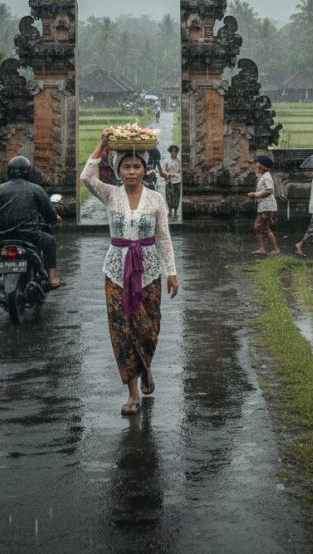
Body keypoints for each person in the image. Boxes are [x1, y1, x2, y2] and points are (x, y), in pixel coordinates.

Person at [82, 129, 179, 416]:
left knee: (148, 329)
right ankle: (132, 391)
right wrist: (102, 143)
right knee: (122, 331)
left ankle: (146, 367)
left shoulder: (156, 199)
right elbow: (87, 177)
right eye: (126, 166)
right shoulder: (110, 195)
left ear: (145, 168)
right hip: (116, 271)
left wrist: (171, 272)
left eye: (137, 166)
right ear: (118, 170)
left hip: (149, 271)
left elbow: (163, 237)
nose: (132, 171)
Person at [0, 155, 62, 290]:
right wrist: (54, 219)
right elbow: (49, 213)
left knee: (0, 244)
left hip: (6, 235)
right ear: (28, 172)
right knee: (50, 241)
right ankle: (52, 277)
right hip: (30, 236)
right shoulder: (36, 189)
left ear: (9, 171)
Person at [247, 155, 280, 256]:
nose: (255, 166)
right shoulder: (263, 176)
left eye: (257, 164)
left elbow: (269, 190)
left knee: (262, 227)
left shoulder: (266, 177)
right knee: (259, 228)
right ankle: (263, 248)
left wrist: (255, 194)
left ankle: (275, 249)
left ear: (262, 166)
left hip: (267, 207)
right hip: (264, 206)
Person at [162, 144, 182, 219]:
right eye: (172, 151)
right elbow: (163, 170)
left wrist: (174, 174)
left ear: (177, 152)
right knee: (169, 196)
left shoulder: (179, 161)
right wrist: (166, 174)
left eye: (175, 151)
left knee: (176, 196)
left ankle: (176, 212)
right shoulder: (167, 161)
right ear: (170, 152)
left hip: (177, 181)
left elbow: (180, 172)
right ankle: (170, 211)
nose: (174, 152)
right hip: (169, 181)